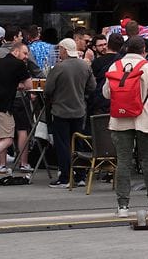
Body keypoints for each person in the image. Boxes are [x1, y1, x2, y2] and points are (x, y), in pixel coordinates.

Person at [103, 37, 148, 218]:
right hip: (145, 120)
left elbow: (106, 93)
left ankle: (122, 206)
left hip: (120, 120)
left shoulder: (114, 66)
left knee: (123, 162)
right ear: (144, 50)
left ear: (126, 49)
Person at [44, 38, 95, 188]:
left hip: (61, 110)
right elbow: (92, 86)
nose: (59, 52)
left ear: (65, 50)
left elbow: (48, 89)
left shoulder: (59, 67)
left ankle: (65, 177)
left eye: (60, 49)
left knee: (63, 144)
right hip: (79, 109)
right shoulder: (84, 66)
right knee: (78, 142)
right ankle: (80, 176)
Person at [0, 42, 32, 178]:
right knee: (7, 140)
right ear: (15, 51)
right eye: (24, 53)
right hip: (2, 106)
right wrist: (20, 85)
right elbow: (29, 85)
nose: (26, 57)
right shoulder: (19, 64)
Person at [89, 33, 124, 116]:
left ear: (108, 44)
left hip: (101, 101)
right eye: (100, 45)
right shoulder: (123, 61)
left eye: (105, 44)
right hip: (115, 100)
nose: (104, 47)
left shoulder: (96, 63)